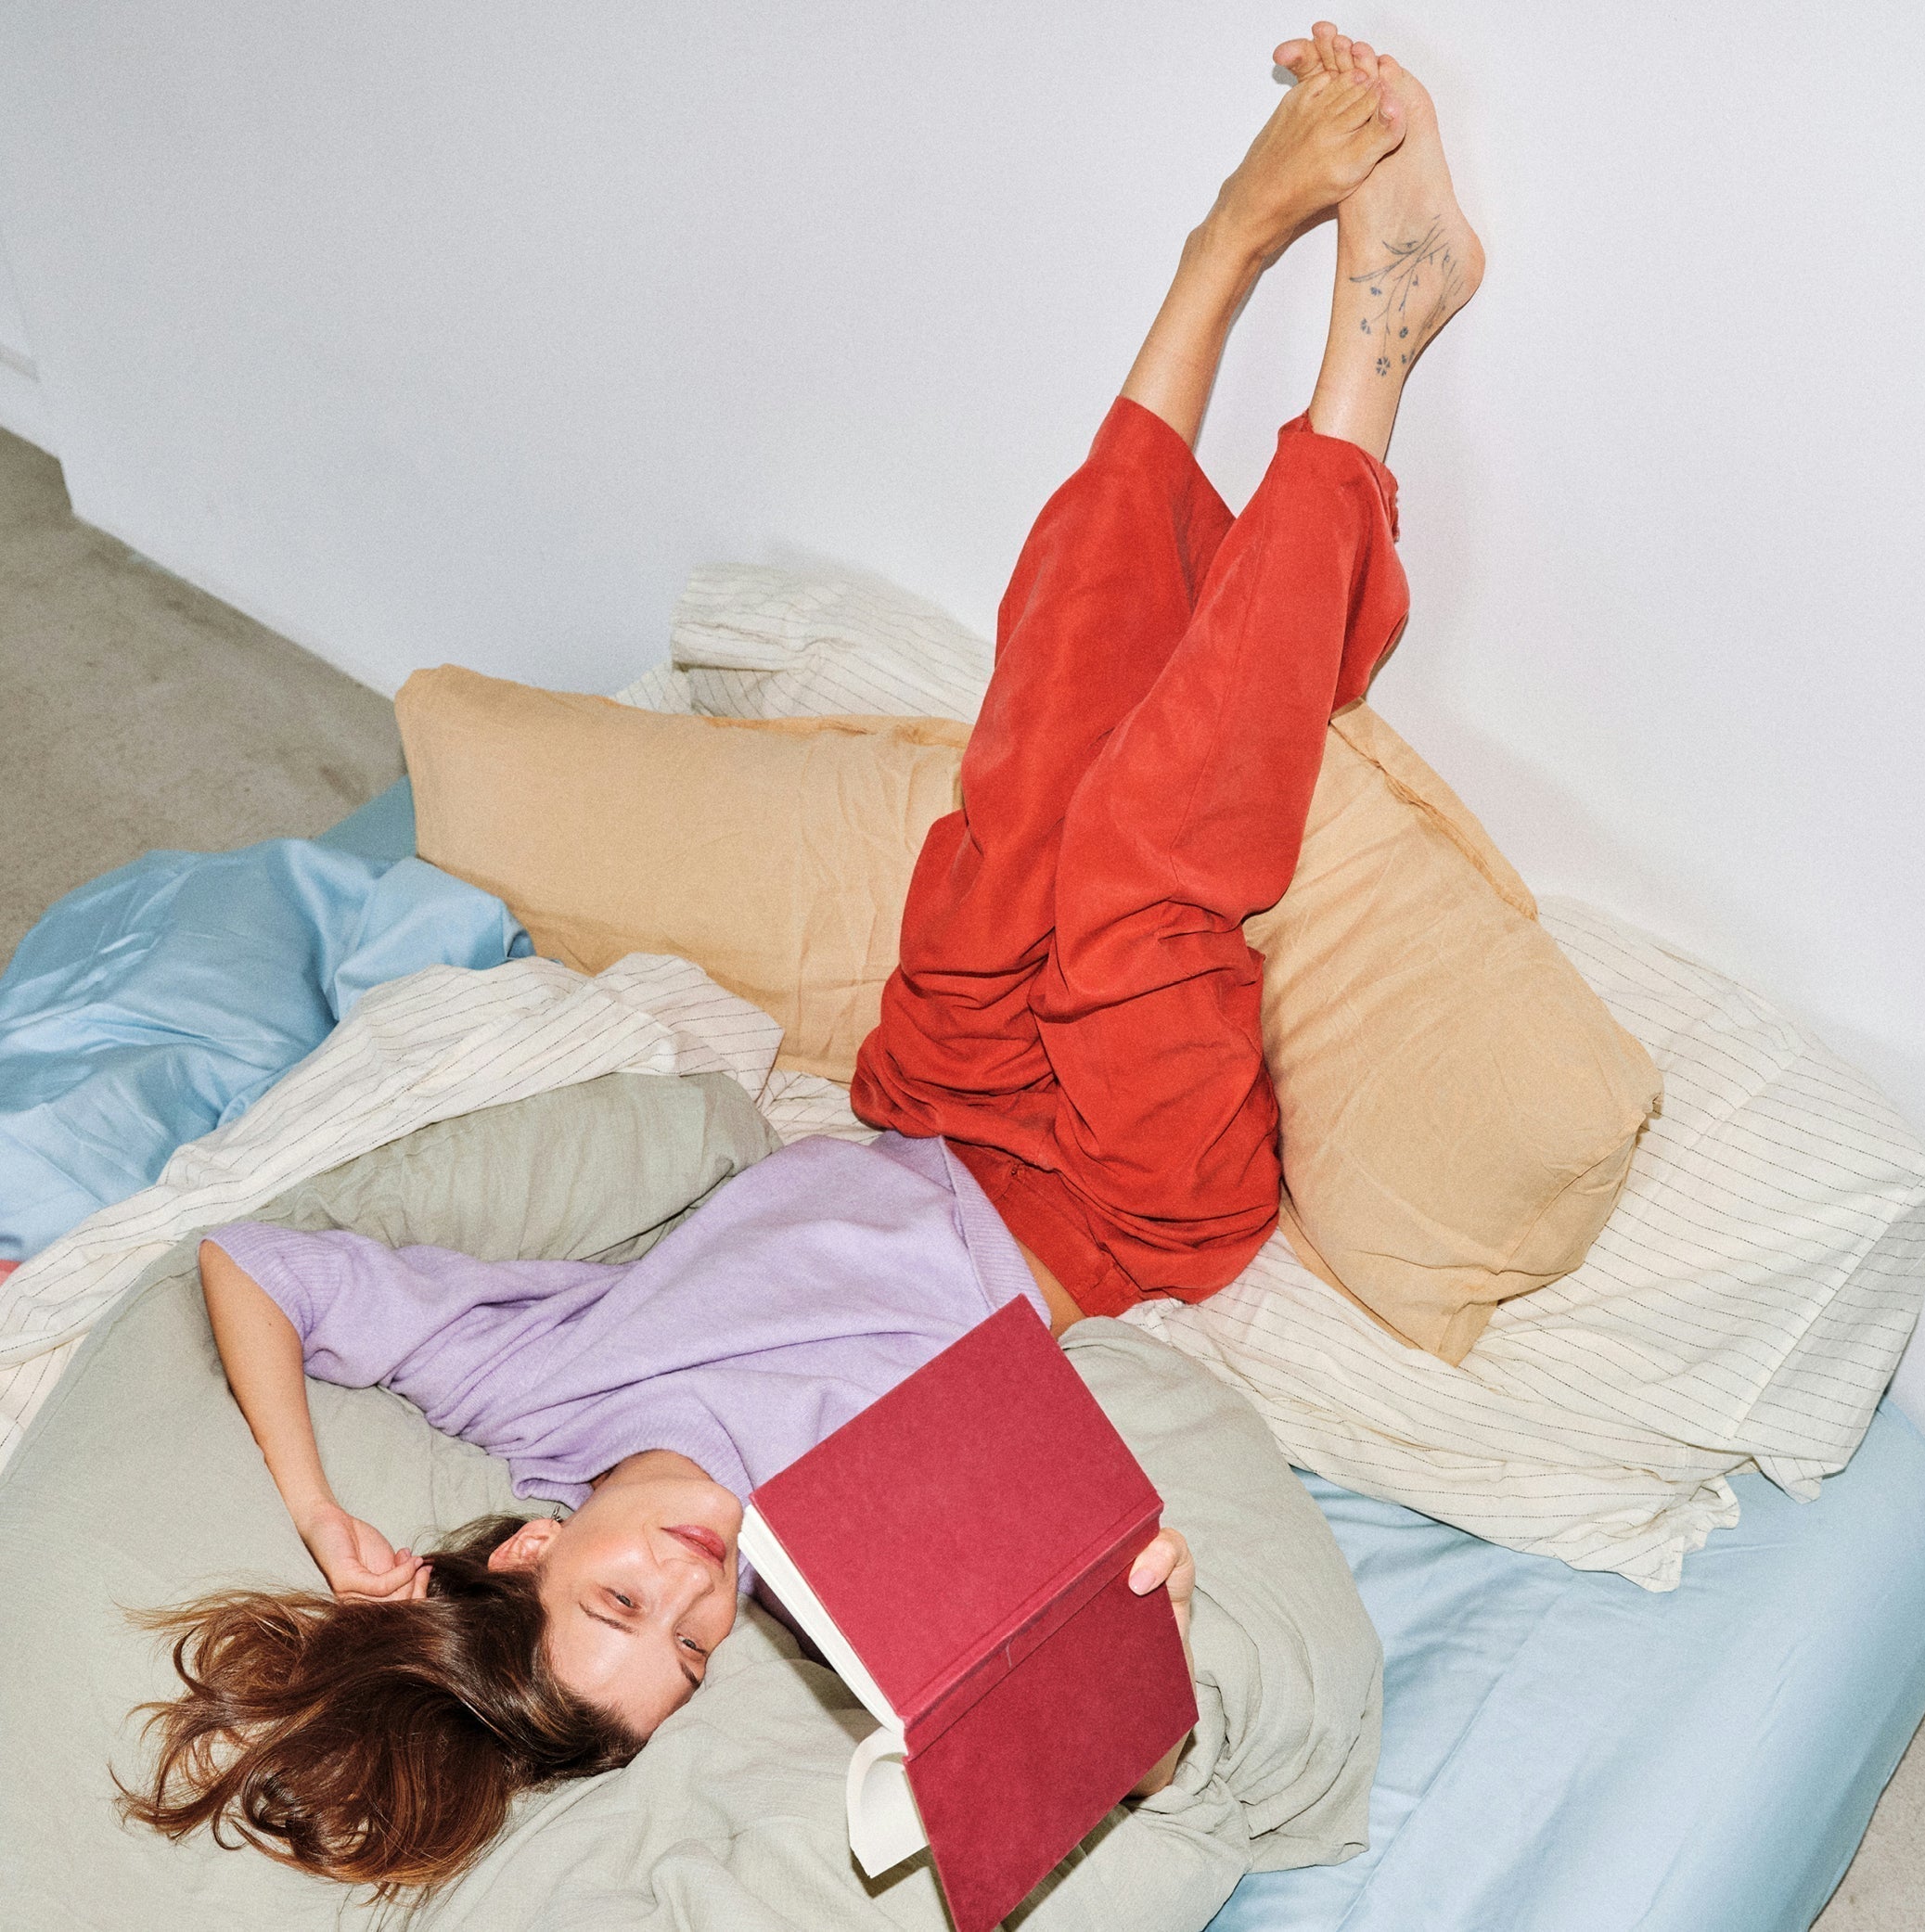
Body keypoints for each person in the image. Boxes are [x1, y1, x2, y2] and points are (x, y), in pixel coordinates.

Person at [122, 23, 1480, 1900]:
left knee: (1021, 797)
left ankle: (1217, 260)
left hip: (929, 1099)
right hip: (1113, 1209)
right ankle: (1379, 340)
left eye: (625, 1592)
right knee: (1139, 879)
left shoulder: (527, 1389)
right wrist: (1145, 1579)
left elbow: (248, 1266)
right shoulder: (837, 1587)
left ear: (520, 1546)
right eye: (686, 1651)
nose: (693, 1582)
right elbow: (1112, 1673)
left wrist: (314, 1505)